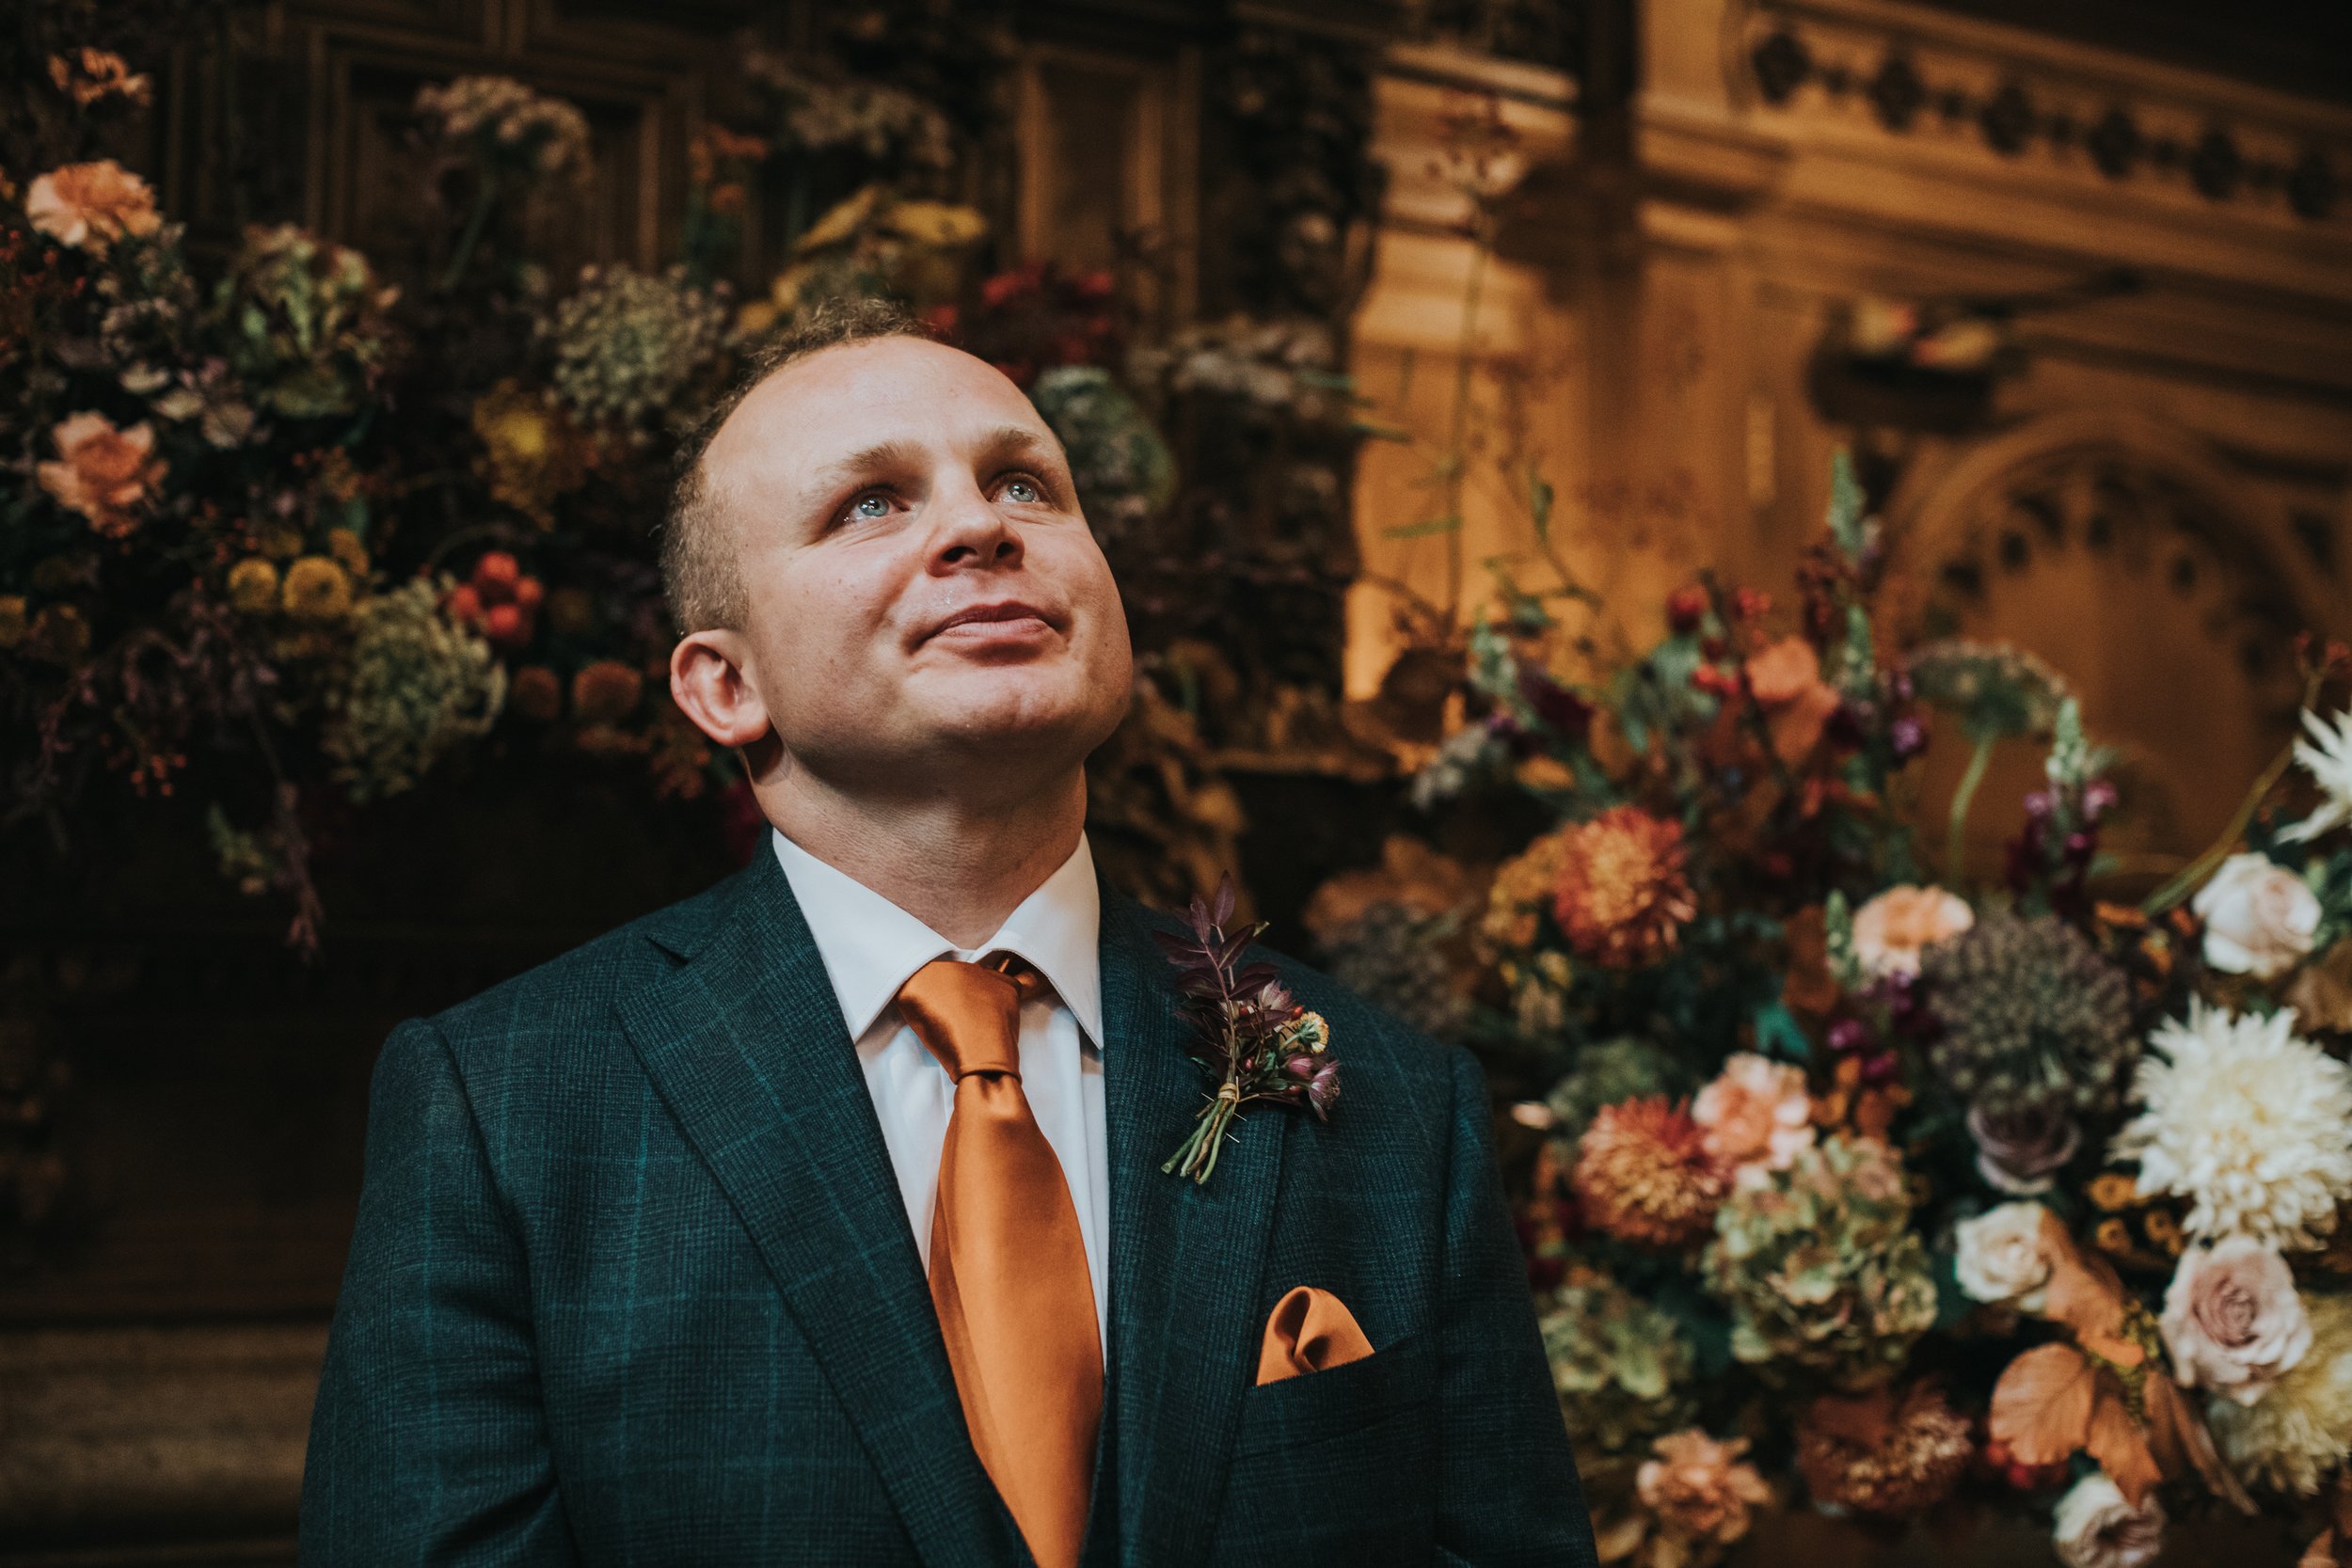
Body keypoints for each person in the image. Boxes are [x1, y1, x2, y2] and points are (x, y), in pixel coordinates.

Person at [299, 297, 1596, 1567]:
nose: (981, 523)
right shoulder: (506, 1110)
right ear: (725, 684)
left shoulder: (1389, 1099)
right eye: (870, 503)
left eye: (1027, 485)